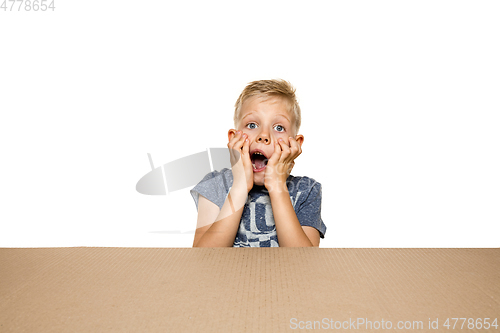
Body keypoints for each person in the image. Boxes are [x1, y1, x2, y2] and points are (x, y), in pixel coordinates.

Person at [191, 79, 326, 247]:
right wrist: (240, 186)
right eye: (252, 124)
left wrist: (277, 187)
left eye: (278, 128)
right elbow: (203, 258)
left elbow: (305, 262)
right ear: (234, 138)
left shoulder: (307, 190)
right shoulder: (214, 185)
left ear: (295, 144)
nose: (264, 135)